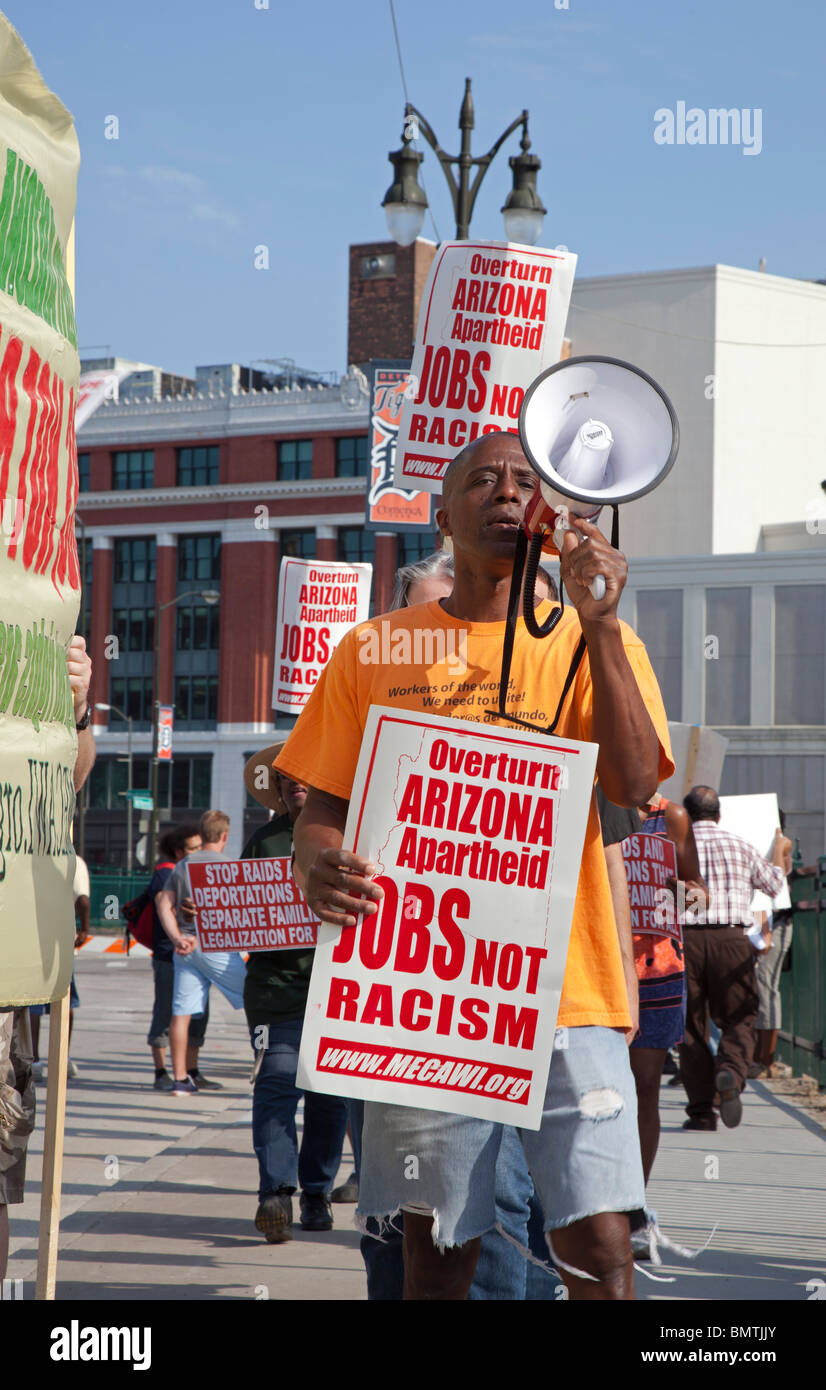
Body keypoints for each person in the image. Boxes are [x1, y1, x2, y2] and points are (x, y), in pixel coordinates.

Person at [277, 431, 674, 1300]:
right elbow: (321, 813)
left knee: (604, 1244)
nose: (506, 492)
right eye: (483, 480)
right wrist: (317, 865)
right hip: (431, 1000)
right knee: (440, 1250)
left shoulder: (595, 639)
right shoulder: (375, 650)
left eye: (525, 481)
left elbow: (637, 782)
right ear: (444, 513)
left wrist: (601, 622)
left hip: (571, 990)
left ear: (549, 512)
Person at [240, 747, 349, 1243]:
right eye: (285, 781)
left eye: (303, 775)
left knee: (329, 1099)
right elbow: (242, 908)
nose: (293, 785)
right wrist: (221, 916)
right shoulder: (262, 840)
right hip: (275, 992)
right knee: (276, 1087)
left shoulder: (352, 834)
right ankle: (275, 1195)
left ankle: (317, 1195)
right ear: (277, 789)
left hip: (339, 992)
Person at [679, 786, 786, 1131]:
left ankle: (701, 1113)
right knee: (739, 1016)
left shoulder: (676, 847)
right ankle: (730, 1071)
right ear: (718, 815)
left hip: (688, 941)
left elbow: (664, 898)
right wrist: (780, 851)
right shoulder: (739, 845)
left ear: (686, 815)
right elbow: (774, 885)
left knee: (691, 1028)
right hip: (731, 940)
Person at [629, 793, 706, 1177]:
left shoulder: (672, 817)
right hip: (603, 967)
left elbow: (699, 894)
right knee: (597, 1092)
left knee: (645, 1088)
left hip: (658, 973)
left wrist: (677, 892)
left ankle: (634, 1203)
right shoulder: (592, 807)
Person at [156, 810, 246, 1095]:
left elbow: (163, 903)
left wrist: (177, 937)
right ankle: (266, 1063)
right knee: (256, 998)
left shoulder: (182, 865)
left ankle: (180, 1079)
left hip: (186, 948)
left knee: (181, 1013)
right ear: (224, 836)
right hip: (216, 947)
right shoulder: (230, 867)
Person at [146, 823, 223, 1092]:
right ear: (179, 852)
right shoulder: (167, 873)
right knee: (168, 1013)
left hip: (194, 953)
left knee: (198, 1015)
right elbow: (163, 905)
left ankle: (191, 1071)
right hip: (169, 954)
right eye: (194, 847)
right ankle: (161, 1073)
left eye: (202, 846)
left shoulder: (194, 873)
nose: (200, 852)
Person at [30, 855, 90, 1081]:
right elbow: (82, 899)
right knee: (65, 1001)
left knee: (33, 1005)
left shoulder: (31, 858)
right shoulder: (73, 860)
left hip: (33, 940)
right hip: (61, 943)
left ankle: (33, 1059)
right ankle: (61, 1056)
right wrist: (84, 929)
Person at [752, 814, 794, 1078]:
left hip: (774, 923)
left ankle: (765, 1060)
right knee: (761, 989)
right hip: (762, 923)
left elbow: (775, 886)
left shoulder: (782, 846)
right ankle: (759, 1059)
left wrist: (778, 847)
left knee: (766, 988)